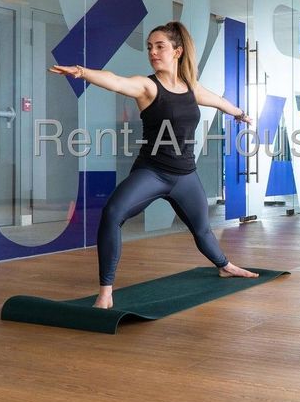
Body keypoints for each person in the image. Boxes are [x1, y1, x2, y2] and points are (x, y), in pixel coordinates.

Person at [50, 21, 258, 309]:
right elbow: (115, 80)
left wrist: (240, 114)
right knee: (112, 213)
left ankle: (225, 266)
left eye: (160, 46)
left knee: (202, 230)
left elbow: (220, 102)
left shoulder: (191, 88)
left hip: (185, 176)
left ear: (177, 51)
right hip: (152, 172)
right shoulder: (147, 86)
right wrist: (82, 72)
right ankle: (105, 292)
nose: (153, 52)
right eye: (149, 47)